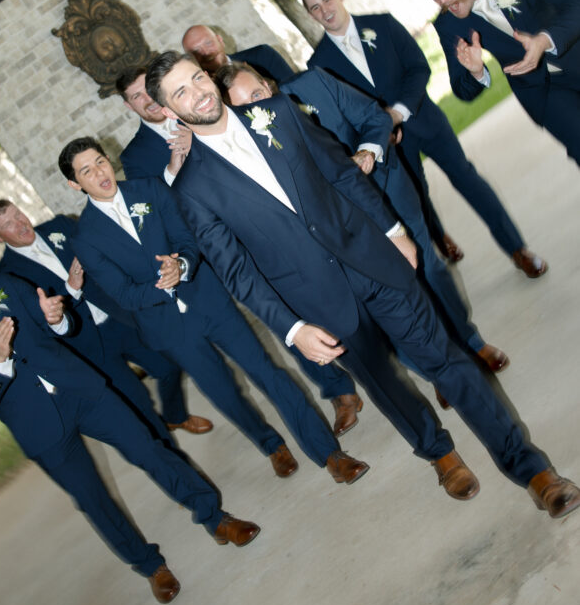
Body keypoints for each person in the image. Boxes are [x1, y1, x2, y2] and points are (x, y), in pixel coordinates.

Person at [144, 50, 580, 519]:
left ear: (209, 75)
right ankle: (439, 453)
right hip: (317, 307)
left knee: (447, 361)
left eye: (196, 78)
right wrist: (292, 330)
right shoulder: (190, 187)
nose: (198, 92)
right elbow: (237, 272)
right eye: (181, 92)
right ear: (169, 111)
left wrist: (394, 232)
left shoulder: (280, 112)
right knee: (388, 386)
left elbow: (342, 174)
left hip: (373, 260)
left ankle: (531, 470)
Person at [0, 247, 260, 604]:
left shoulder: (6, 287)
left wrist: (57, 318)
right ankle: (151, 566)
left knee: (149, 449)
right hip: (41, 430)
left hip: (82, 391)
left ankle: (215, 517)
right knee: (93, 500)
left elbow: (63, 327)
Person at [58, 137, 366, 484]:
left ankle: (329, 454)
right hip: (168, 327)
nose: (100, 172)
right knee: (226, 394)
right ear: (74, 183)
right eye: (86, 170)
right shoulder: (85, 237)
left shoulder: (150, 189)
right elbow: (123, 295)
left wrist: (183, 267)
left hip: (208, 300)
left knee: (268, 372)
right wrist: (164, 283)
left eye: (100, 160)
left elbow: (188, 240)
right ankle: (271, 445)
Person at [216, 61, 510, 391]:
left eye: (258, 94)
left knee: (427, 268)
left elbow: (375, 117)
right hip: (343, 229)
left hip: (383, 191)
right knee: (380, 304)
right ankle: (435, 372)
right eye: (244, 107)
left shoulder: (316, 83)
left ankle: (470, 342)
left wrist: (367, 152)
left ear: (268, 84)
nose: (257, 106)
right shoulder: (244, 148)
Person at [118, 65, 363, 435]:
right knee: (275, 322)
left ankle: (357, 374)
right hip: (203, 255)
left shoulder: (203, 108)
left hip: (254, 230)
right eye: (137, 97)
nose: (146, 100)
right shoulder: (135, 157)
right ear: (128, 105)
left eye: (148, 91)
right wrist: (174, 167)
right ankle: (327, 398)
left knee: (302, 300)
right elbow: (156, 213)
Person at [301, 0, 548, 278]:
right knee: (415, 198)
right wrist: (379, 130)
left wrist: (397, 113)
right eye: (314, 8)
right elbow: (339, 114)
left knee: (467, 177)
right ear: (310, 15)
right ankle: (439, 238)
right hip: (385, 145)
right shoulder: (318, 65)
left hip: (423, 120)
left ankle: (517, 249)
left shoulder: (383, 24)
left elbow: (418, 67)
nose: (324, 10)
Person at [0, 199, 212, 437]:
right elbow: (39, 326)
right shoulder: (7, 277)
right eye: (8, 224)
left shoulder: (60, 226)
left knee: (169, 366)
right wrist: (70, 290)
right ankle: (166, 450)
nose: (20, 224)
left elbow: (104, 253)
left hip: (118, 318)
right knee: (135, 402)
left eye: (18, 214)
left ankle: (175, 417)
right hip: (85, 345)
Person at [420, 0, 580, 164]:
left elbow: (575, 3)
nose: (443, 0)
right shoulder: (448, 24)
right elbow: (461, 89)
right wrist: (476, 72)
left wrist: (544, 41)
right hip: (543, 91)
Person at [117, 65, 194, 185]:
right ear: (129, 106)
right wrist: (171, 172)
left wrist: (198, 140)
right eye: (137, 96)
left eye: (148, 88)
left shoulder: (194, 108)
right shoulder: (132, 158)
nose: (148, 98)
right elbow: (149, 199)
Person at [182, 24, 293, 83]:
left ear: (220, 40)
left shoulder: (262, 55)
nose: (206, 52)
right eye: (196, 51)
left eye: (208, 43)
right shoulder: (202, 88)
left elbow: (297, 88)